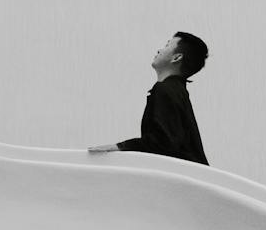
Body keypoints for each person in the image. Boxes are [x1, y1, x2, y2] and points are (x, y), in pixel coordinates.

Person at [89, 32, 209, 164]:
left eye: (167, 45)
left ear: (176, 58)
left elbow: (164, 142)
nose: (159, 50)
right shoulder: (176, 90)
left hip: (185, 178)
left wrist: (119, 147)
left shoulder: (165, 90)